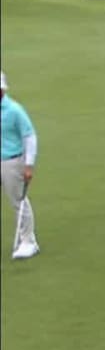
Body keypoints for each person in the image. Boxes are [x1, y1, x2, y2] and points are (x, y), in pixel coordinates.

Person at [0, 72, 40, 260]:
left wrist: (29, 165)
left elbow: (29, 136)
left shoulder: (14, 110)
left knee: (18, 200)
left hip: (11, 161)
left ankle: (28, 241)